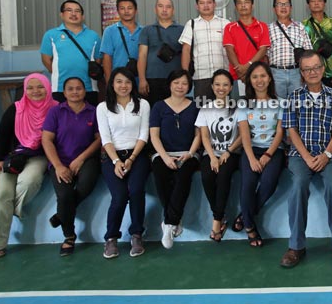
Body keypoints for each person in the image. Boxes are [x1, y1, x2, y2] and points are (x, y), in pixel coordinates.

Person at [280, 50, 332, 269]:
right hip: (300, 155)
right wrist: (307, 157)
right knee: (298, 186)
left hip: (330, 154)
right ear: (301, 73)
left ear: (323, 69)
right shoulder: (293, 97)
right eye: (307, 69)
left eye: (316, 67)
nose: (312, 72)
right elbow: (291, 130)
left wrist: (326, 155)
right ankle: (296, 246)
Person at [0, 73, 57, 259]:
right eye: (30, 88)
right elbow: (1, 135)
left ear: (47, 87)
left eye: (40, 86)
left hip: (40, 156)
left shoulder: (55, 109)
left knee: (29, 181)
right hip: (13, 156)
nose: (35, 91)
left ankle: (0, 215)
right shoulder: (15, 109)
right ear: (24, 90)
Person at [41, 77, 101, 256]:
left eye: (79, 88)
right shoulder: (55, 112)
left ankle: (61, 215)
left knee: (85, 186)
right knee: (65, 194)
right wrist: (58, 165)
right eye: (70, 89)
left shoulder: (94, 111)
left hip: (86, 158)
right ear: (64, 92)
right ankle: (69, 236)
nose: (75, 92)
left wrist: (81, 159)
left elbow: (99, 139)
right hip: (60, 160)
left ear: (85, 91)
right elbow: (47, 139)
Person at [97, 67, 151, 259]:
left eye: (127, 82)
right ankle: (111, 238)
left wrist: (131, 159)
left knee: (136, 191)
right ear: (112, 84)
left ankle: (136, 234)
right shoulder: (103, 107)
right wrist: (116, 161)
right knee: (119, 196)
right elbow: (105, 138)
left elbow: (144, 134)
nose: (123, 86)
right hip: (112, 157)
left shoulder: (143, 104)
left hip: (137, 155)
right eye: (119, 81)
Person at [233, 62, 285, 247]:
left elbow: (280, 133)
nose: (259, 80)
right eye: (254, 77)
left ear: (269, 78)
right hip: (250, 150)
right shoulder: (244, 104)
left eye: (263, 76)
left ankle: (245, 215)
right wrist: (252, 158)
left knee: (269, 183)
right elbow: (244, 134)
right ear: (250, 81)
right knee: (248, 184)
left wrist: (268, 155)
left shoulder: (280, 102)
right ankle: (249, 227)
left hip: (273, 151)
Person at [150, 69, 201, 250]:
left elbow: (198, 135)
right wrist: (164, 157)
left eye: (184, 83)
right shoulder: (158, 107)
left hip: (188, 153)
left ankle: (169, 223)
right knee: (161, 176)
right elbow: (154, 136)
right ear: (170, 84)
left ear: (189, 86)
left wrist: (190, 153)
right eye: (176, 82)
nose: (180, 86)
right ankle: (173, 221)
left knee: (183, 178)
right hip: (163, 154)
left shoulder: (195, 106)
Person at [195, 69, 242, 242]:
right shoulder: (205, 108)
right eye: (217, 84)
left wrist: (228, 152)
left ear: (231, 87)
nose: (221, 88)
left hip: (232, 153)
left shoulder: (238, 107)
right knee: (207, 176)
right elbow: (204, 136)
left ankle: (216, 220)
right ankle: (220, 216)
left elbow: (242, 136)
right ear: (212, 86)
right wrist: (213, 157)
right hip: (211, 153)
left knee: (223, 175)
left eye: (225, 85)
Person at [40, 0, 102, 105]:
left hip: (89, 88)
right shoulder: (51, 35)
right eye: (69, 10)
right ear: (62, 15)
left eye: (77, 11)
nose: (73, 14)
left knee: (90, 120)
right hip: (60, 88)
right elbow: (46, 59)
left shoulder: (93, 36)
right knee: (62, 120)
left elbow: (98, 60)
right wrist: (57, 71)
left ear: (82, 16)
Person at [179, 0, 230, 103]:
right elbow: (186, 50)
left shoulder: (225, 24)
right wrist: (185, 74)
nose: (206, 6)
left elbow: (232, 49)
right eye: (202, 3)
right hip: (201, 77)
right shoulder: (191, 24)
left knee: (225, 110)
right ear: (197, 6)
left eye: (209, 2)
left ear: (214, 4)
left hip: (223, 77)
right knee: (202, 111)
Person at [223, 0, 270, 97]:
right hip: (237, 77)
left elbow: (263, 50)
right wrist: (240, 70)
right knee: (238, 110)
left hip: (258, 78)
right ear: (236, 7)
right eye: (239, 3)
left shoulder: (262, 26)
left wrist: (247, 67)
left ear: (252, 5)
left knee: (259, 109)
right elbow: (229, 50)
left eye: (246, 2)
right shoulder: (230, 28)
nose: (243, 5)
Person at [138, 0, 185, 106]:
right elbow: (142, 55)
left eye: (168, 7)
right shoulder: (147, 30)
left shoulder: (182, 30)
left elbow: (187, 54)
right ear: (155, 9)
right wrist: (142, 79)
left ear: (173, 11)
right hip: (152, 79)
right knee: (155, 112)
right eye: (160, 6)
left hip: (176, 81)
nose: (164, 10)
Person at [267, 0, 313, 99]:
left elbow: (308, 53)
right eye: (279, 4)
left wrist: (305, 73)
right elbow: (265, 55)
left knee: (298, 103)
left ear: (291, 8)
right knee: (278, 106)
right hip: (276, 74)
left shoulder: (300, 27)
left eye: (286, 4)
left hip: (296, 73)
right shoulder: (268, 29)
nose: (283, 7)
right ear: (274, 9)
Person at [100, 0, 143, 83]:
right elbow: (107, 58)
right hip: (118, 81)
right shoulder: (110, 31)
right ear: (118, 11)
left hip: (139, 80)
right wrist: (109, 81)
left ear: (136, 10)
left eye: (130, 8)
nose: (126, 11)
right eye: (122, 8)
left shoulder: (144, 31)